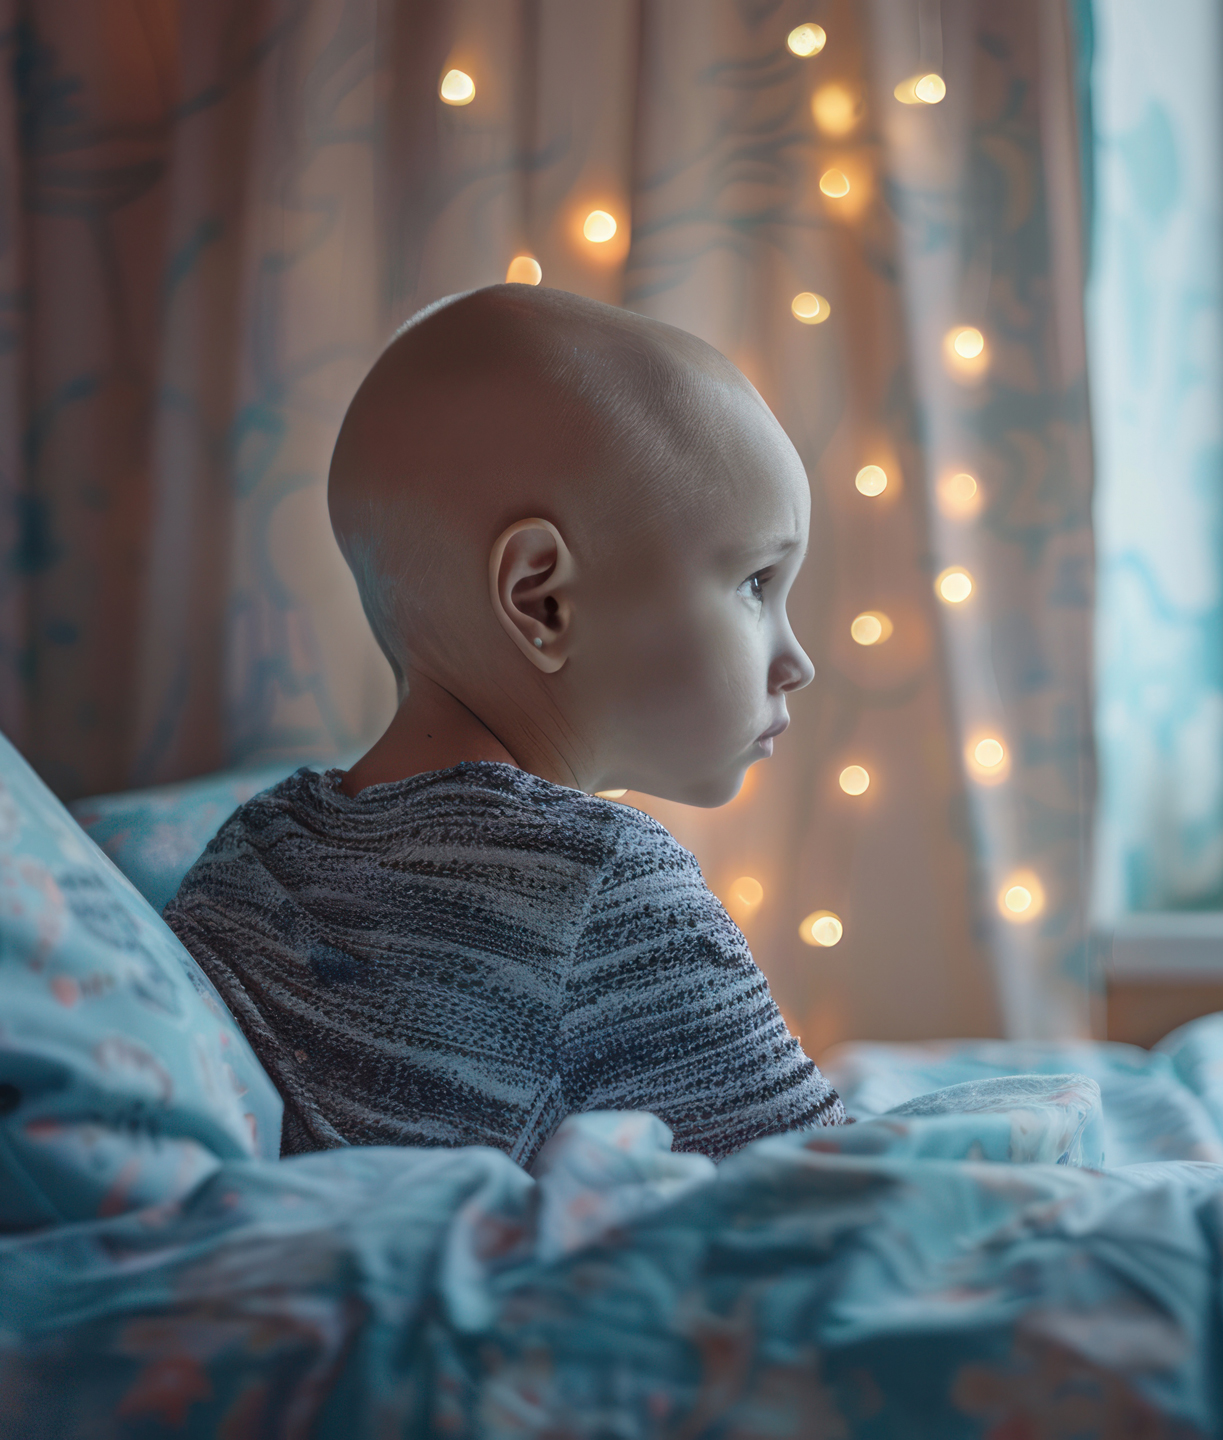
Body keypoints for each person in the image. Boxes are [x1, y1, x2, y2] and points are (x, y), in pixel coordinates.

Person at [164, 285, 847, 1164]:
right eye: (757, 583)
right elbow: (827, 1188)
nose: (797, 661)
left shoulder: (254, 844)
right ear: (543, 602)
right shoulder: (608, 885)